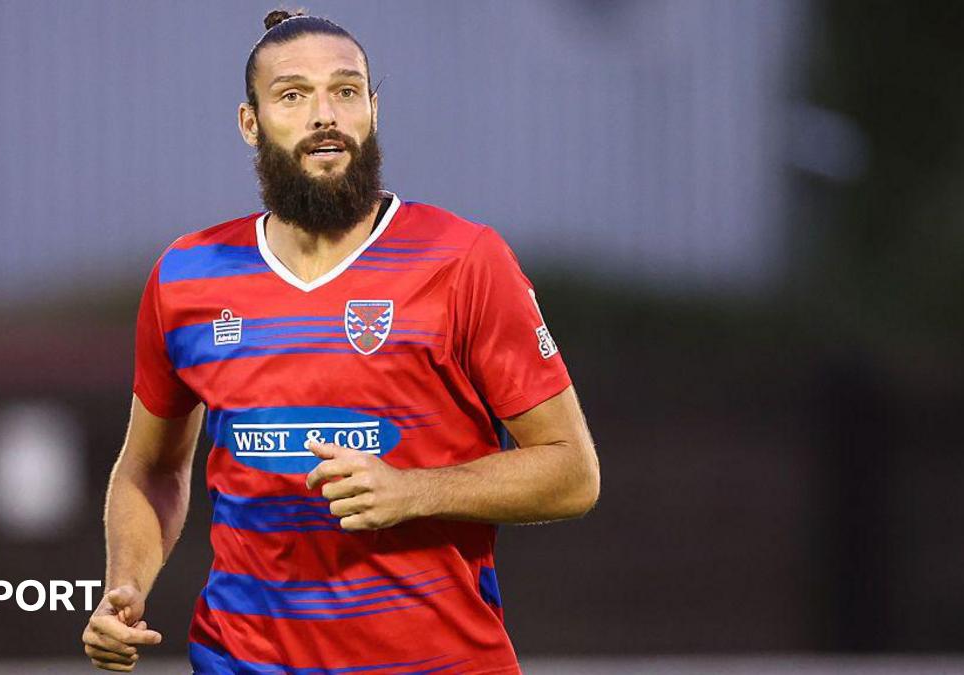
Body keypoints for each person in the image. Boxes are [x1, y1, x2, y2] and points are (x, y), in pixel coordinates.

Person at [81, 9, 600, 674]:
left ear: (373, 111)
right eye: (293, 95)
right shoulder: (187, 276)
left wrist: (414, 491)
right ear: (250, 122)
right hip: (241, 660)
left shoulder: (464, 259)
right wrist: (125, 585)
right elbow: (150, 469)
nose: (324, 114)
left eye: (346, 91)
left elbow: (571, 471)